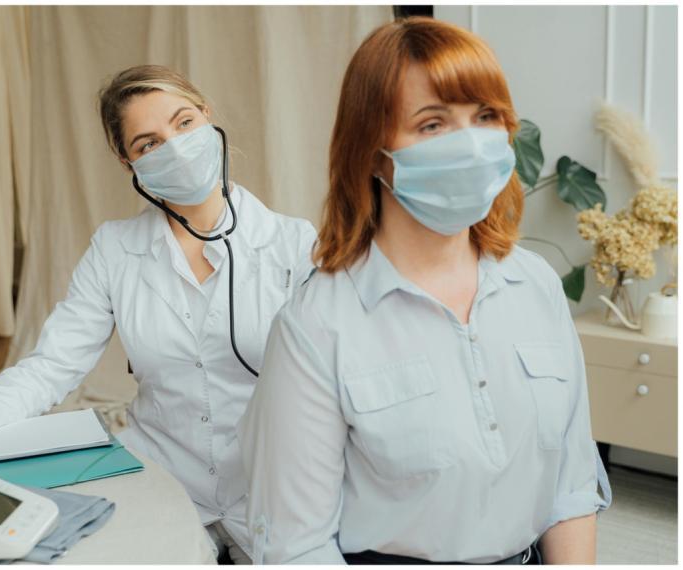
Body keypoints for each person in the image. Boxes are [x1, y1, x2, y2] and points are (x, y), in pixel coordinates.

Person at [0, 64, 317, 564]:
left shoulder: (295, 245)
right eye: (149, 143)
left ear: (207, 116)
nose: (176, 147)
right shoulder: (114, 250)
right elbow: (54, 365)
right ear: (127, 160)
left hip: (272, 485)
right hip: (162, 475)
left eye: (184, 124)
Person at [238, 17, 611, 565]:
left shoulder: (535, 285)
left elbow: (571, 487)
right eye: (432, 124)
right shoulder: (316, 325)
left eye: (485, 117)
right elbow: (297, 548)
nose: (472, 144)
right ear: (372, 153)